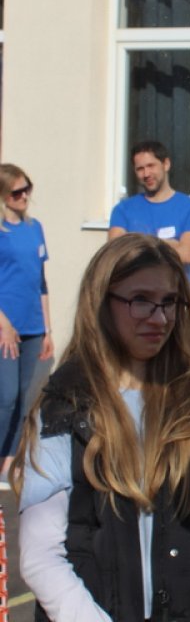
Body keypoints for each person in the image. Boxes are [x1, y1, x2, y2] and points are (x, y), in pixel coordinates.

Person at [12, 234, 190, 622]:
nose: (159, 318)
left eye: (170, 302)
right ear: (101, 303)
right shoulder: (65, 406)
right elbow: (41, 556)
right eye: (140, 300)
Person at [0, 164, 54, 491]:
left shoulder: (35, 228)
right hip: (6, 328)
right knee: (5, 398)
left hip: (34, 327)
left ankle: (10, 462)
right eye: (16, 192)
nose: (24, 197)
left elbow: (42, 283)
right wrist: (4, 324)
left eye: (26, 189)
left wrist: (48, 329)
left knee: (27, 400)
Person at [108, 141, 190, 281]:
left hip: (174, 295)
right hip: (134, 294)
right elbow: (115, 255)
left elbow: (186, 254)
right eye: (140, 169)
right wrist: (171, 244)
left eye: (151, 166)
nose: (146, 174)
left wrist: (136, 244)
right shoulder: (122, 209)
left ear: (166, 164)